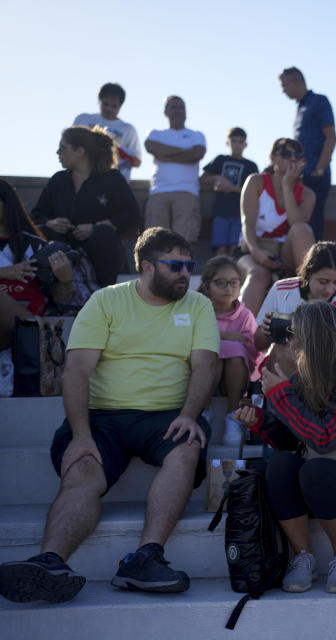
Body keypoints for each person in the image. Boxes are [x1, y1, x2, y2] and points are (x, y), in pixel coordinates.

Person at [0, 227, 218, 603]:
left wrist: (188, 414)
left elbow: (206, 366)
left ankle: (145, 557)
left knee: (187, 447)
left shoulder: (198, 305)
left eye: (189, 265)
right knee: (83, 469)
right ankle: (49, 562)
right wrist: (82, 436)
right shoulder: (105, 301)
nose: (186, 273)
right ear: (147, 268)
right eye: (176, 265)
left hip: (166, 417)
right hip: (102, 419)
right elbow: (76, 371)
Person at [235, 302, 336, 593]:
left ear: (314, 338)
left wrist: (282, 397)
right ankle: (303, 556)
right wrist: (259, 420)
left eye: (294, 334)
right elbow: (293, 441)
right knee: (283, 463)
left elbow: (325, 440)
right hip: (318, 490)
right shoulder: (299, 381)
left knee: (316, 470)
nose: (290, 341)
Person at [32, 126, 140, 287]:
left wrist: (97, 227)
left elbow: (132, 215)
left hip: (99, 253)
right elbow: (36, 215)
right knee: (44, 232)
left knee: (104, 234)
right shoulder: (58, 180)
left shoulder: (111, 178)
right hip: (62, 251)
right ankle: (49, 293)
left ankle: (103, 295)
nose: (57, 153)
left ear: (80, 151)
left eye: (62, 148)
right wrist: (50, 223)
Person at [237, 138, 316, 316]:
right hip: (253, 248)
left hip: (285, 254)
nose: (292, 159)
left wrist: (287, 185)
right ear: (272, 158)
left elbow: (297, 223)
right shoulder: (256, 181)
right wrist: (256, 251)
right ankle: (243, 331)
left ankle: (310, 296)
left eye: (297, 155)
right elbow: (247, 222)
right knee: (259, 275)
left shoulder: (307, 194)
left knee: (302, 230)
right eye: (286, 154)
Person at [255, 242, 336, 372]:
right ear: (307, 274)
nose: (330, 289)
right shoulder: (282, 290)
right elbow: (257, 344)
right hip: (283, 362)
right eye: (323, 282)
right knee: (284, 349)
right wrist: (267, 331)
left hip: (323, 370)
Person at [0, 179, 74, 349]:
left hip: (26, 323)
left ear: (6, 204)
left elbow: (60, 296)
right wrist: (5, 272)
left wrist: (66, 280)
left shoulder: (35, 245)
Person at [197, 256, 258, 446]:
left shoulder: (245, 315)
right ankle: (203, 412)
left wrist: (228, 345)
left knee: (233, 352)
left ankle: (233, 416)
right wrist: (222, 337)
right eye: (221, 283)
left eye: (234, 283)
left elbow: (252, 352)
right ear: (207, 285)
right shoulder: (199, 311)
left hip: (234, 380)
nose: (229, 288)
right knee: (215, 351)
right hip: (202, 378)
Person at [279, 67, 336, 241]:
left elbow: (331, 138)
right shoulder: (300, 107)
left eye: (284, 85)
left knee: (313, 225)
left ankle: (313, 266)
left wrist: (319, 169)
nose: (283, 90)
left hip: (315, 176)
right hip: (300, 176)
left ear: (296, 80)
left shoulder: (319, 102)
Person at [143, 96, 206, 246]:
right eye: (173, 107)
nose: (178, 110)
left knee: (185, 241)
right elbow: (150, 146)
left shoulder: (197, 135)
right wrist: (183, 152)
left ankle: (181, 269)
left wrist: (165, 153)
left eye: (181, 107)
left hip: (187, 191)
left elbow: (197, 154)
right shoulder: (156, 134)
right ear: (165, 112)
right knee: (155, 241)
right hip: (158, 192)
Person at [200, 127, 259, 256]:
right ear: (228, 142)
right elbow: (202, 180)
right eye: (233, 141)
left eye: (240, 141)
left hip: (240, 214)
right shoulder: (220, 160)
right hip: (220, 212)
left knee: (235, 248)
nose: (237, 145)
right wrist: (217, 177)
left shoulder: (251, 166)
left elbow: (256, 192)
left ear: (245, 144)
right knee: (220, 249)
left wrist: (231, 188)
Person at [73, 83, 141, 181]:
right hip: (82, 177)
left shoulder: (128, 129)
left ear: (120, 106)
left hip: (110, 179)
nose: (109, 109)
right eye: (105, 104)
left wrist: (114, 150)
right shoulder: (83, 120)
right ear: (99, 101)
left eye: (114, 106)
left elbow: (137, 161)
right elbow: (69, 147)